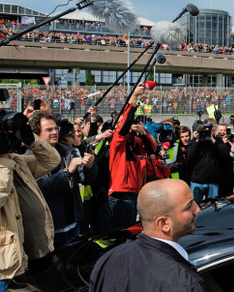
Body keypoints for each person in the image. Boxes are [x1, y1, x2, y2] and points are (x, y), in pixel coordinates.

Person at [90, 179, 205, 292]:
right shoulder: (185, 284)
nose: (197, 209)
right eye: (189, 206)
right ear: (164, 223)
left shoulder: (108, 259)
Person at [0, 113, 60, 290]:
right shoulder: (6, 164)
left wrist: (30, 138)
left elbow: (51, 160)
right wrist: (3, 160)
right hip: (7, 268)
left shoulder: (15, 161)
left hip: (33, 253)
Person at [31, 112, 97, 247]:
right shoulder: (30, 157)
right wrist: (67, 172)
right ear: (37, 134)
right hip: (49, 227)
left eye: (56, 128)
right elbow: (40, 189)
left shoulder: (68, 152)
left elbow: (85, 180)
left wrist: (90, 167)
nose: (54, 132)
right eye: (49, 130)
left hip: (72, 222)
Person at [105, 84, 154, 232]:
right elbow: (123, 128)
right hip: (117, 195)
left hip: (133, 194)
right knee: (116, 232)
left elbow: (152, 150)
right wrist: (133, 100)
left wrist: (143, 132)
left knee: (130, 232)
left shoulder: (135, 142)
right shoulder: (115, 142)